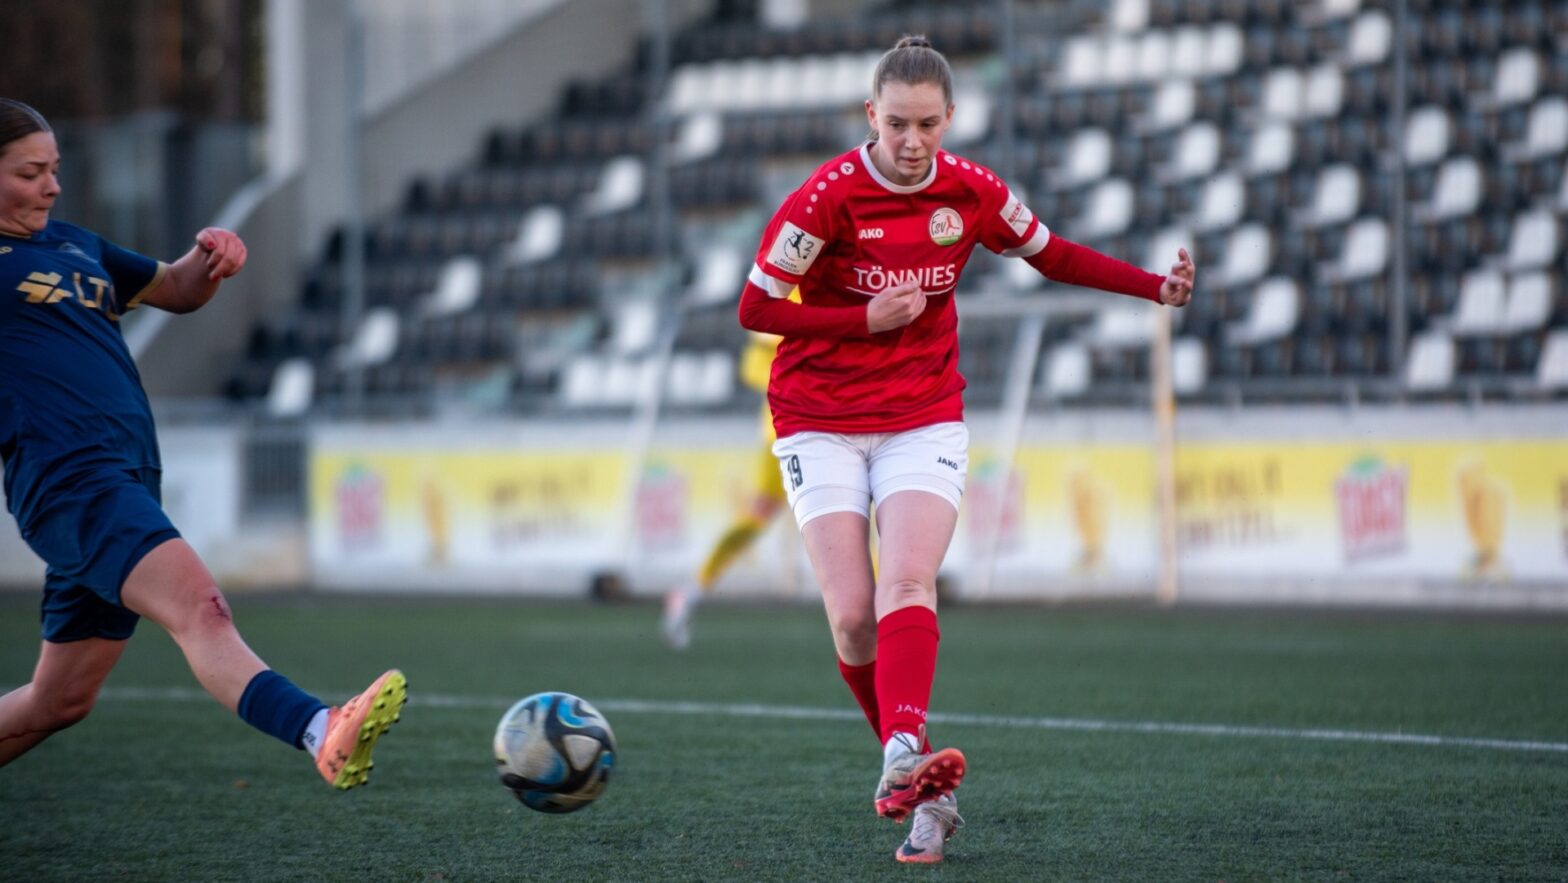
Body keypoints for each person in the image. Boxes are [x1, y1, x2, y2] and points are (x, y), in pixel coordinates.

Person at [736, 38, 1195, 864]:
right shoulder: (825, 199)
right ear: (870, 117)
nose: (913, 142)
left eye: (928, 125)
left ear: (949, 119)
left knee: (908, 581)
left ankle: (903, 764)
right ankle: (924, 792)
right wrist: (859, 320)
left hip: (922, 413)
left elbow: (1051, 254)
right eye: (897, 124)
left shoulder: (971, 191)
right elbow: (754, 309)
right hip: (818, 415)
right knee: (850, 619)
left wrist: (1150, 287)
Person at [0, 98, 405, 789]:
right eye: (31, 171)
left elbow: (178, 289)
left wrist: (209, 253)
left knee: (58, 700)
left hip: (123, 477)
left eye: (56, 169)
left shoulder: (77, 244)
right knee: (201, 606)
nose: (52, 185)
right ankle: (320, 729)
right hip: (68, 478)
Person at [662, 329, 788, 650]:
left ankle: (885, 610)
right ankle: (692, 589)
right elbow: (753, 366)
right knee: (759, 515)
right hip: (791, 425)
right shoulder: (788, 290)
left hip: (835, 422)